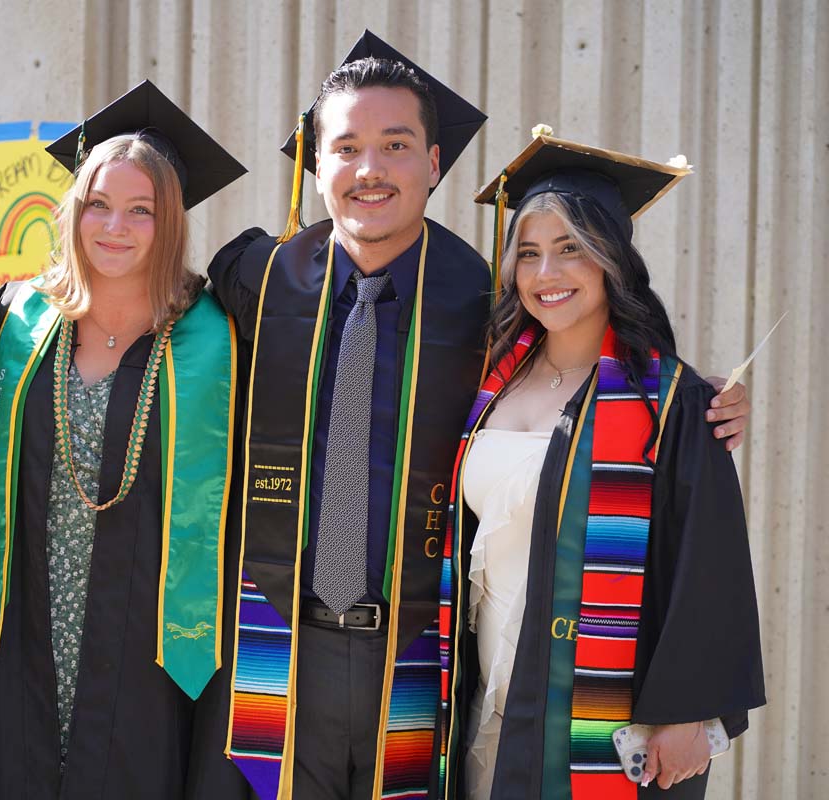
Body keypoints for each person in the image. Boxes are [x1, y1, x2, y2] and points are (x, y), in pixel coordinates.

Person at [193, 30, 752, 800]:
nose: (369, 169)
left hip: (422, 653)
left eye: (395, 145)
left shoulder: (483, 299)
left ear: (433, 162)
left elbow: (595, 363)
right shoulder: (259, 274)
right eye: (347, 146)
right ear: (316, 162)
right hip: (278, 642)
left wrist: (700, 402)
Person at [434, 135, 765, 800]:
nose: (546, 272)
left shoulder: (666, 402)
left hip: (601, 705)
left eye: (571, 247)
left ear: (612, 258)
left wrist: (690, 711)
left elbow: (708, 561)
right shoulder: (489, 381)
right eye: (528, 253)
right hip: (484, 685)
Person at [0, 80, 246, 798]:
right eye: (99, 205)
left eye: (141, 210)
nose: (116, 226)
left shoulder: (218, 336)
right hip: (30, 610)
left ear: (169, 221)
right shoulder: (21, 322)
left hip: (150, 626)